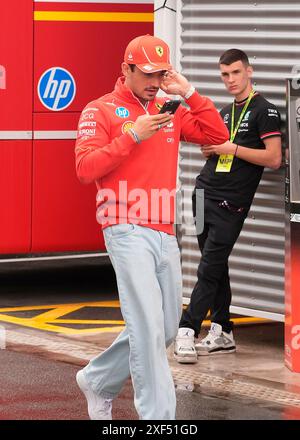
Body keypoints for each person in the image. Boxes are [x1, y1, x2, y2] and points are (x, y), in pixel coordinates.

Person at [74, 34, 228, 420]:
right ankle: (159, 419)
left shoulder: (169, 107)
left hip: (163, 229)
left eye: (160, 73)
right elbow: (85, 169)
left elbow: (217, 136)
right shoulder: (101, 110)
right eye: (146, 74)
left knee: (165, 329)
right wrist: (132, 135)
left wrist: (189, 92)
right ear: (125, 69)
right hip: (124, 226)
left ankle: (98, 380)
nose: (154, 81)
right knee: (145, 325)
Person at [174, 48, 282, 364]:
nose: (230, 80)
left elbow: (274, 158)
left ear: (248, 71)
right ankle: (222, 330)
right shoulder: (222, 113)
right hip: (203, 194)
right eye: (224, 74)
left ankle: (187, 330)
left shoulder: (266, 110)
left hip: (230, 203)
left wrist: (230, 148)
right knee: (215, 265)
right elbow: (214, 146)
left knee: (208, 267)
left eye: (235, 72)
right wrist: (214, 151)